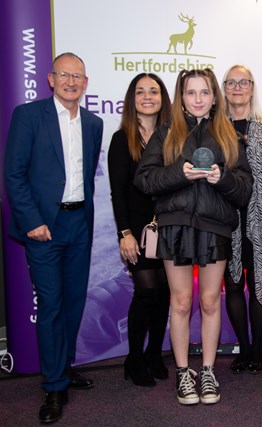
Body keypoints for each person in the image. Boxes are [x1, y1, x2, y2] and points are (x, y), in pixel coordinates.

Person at [134, 68, 253, 405]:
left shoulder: (229, 135)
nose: (198, 99)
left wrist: (222, 179)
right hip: (176, 226)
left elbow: (245, 191)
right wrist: (179, 174)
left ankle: (209, 370)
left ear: (215, 97)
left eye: (204, 93)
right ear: (182, 97)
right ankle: (184, 373)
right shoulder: (166, 133)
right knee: (182, 302)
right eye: (191, 93)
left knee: (210, 301)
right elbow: (144, 180)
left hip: (215, 227)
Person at [4, 52, 103, 424]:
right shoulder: (28, 116)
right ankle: (54, 385)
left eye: (78, 76)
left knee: (75, 301)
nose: (71, 81)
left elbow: (87, 175)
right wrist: (31, 220)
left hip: (80, 224)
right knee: (51, 305)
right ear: (50, 79)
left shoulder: (94, 123)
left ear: (86, 83)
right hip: (43, 227)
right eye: (64, 75)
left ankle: (64, 366)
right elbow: (14, 173)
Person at [107, 73, 172, 387]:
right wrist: (125, 234)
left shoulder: (174, 136)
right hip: (137, 229)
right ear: (133, 99)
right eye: (141, 91)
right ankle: (134, 359)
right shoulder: (122, 139)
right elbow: (117, 192)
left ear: (163, 98)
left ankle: (155, 355)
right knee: (147, 290)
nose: (148, 96)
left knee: (165, 293)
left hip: (170, 229)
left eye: (155, 91)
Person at [221, 64, 262, 375]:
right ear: (225, 88)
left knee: (260, 282)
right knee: (233, 283)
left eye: (244, 82)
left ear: (252, 87)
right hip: (226, 216)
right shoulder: (215, 128)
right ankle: (243, 347)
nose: (238, 87)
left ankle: (258, 347)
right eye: (232, 82)